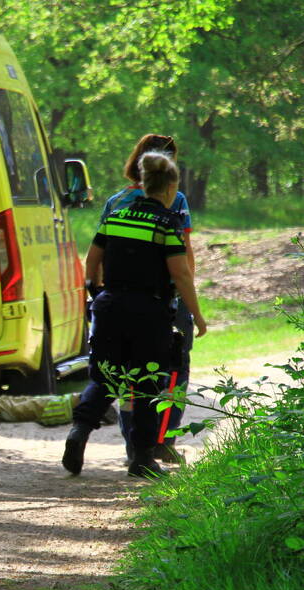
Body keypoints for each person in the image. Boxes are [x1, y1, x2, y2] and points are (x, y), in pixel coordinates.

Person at [64, 152, 206, 478]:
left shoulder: (117, 217)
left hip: (110, 306)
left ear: (142, 183)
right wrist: (197, 316)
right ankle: (141, 459)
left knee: (104, 378)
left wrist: (97, 292)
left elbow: (92, 260)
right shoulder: (166, 224)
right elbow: (181, 275)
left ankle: (79, 431)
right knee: (145, 384)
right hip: (149, 313)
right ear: (170, 187)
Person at [97, 134, 196, 465]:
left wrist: (99, 293)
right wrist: (190, 300)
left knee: (125, 372)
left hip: (116, 297)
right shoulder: (176, 200)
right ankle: (162, 440)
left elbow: (98, 253)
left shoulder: (115, 202)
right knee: (172, 369)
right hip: (161, 299)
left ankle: (133, 447)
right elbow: (184, 255)